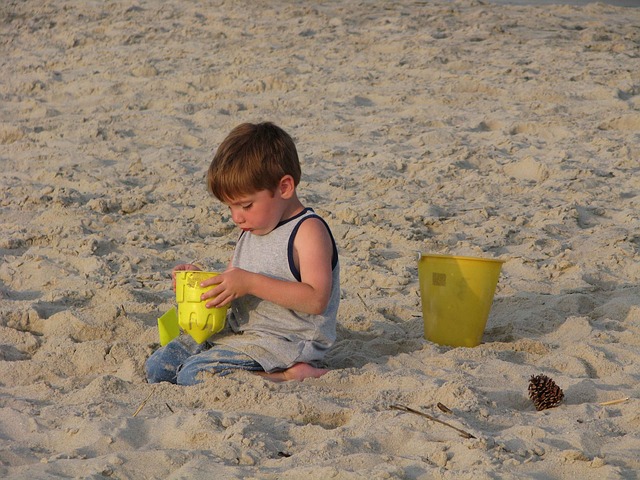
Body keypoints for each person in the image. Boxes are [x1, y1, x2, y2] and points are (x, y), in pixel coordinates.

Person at [145, 122, 340, 385]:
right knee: (159, 367)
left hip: (286, 340)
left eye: (245, 205)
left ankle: (289, 375)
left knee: (194, 376)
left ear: (284, 187)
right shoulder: (253, 225)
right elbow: (233, 283)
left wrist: (250, 282)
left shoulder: (308, 231)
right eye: (230, 208)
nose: (237, 217)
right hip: (241, 333)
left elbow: (317, 300)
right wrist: (198, 282)